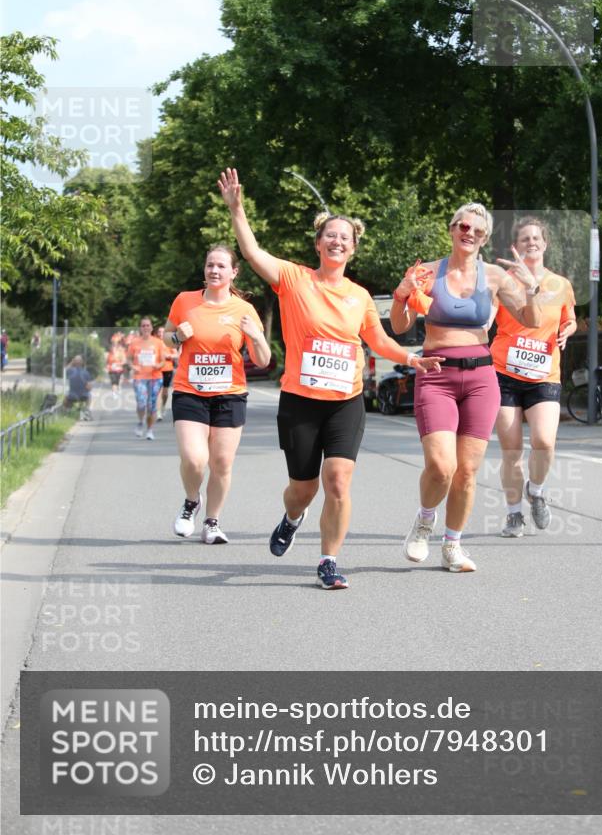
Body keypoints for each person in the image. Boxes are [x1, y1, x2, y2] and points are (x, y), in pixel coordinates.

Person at [218, 167, 443, 590]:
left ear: (352, 249)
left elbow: (378, 340)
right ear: (318, 243)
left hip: (345, 401)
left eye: (345, 238)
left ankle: (328, 560)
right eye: (330, 235)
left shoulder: (359, 297)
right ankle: (292, 517)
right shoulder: (293, 278)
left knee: (338, 480)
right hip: (301, 402)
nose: (337, 241)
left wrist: (412, 360)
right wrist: (237, 210)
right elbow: (251, 253)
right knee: (302, 490)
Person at [390, 202, 542, 573]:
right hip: (437, 375)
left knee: (467, 472)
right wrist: (401, 294)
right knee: (442, 467)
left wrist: (532, 287)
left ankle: (452, 545)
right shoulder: (426, 273)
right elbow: (399, 325)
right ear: (451, 228)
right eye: (463, 226)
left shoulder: (493, 277)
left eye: (476, 230)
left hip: (480, 379)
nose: (468, 233)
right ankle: (425, 521)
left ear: (485, 237)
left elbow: (531, 320)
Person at [163, 244, 272, 543]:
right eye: (210, 265)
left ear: (233, 272)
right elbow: (166, 339)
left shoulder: (244, 310)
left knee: (222, 463)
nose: (214, 270)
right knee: (194, 459)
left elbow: (263, 359)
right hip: (190, 391)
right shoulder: (185, 301)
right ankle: (190, 502)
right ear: (204, 269)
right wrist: (177, 337)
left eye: (221, 266)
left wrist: (256, 336)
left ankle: (212, 522)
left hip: (230, 394)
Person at [490, 217, 577, 537]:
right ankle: (514, 515)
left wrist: (569, 328)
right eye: (524, 239)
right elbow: (488, 316)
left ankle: (536, 490)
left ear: (545, 244)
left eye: (536, 238)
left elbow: (570, 320)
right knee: (511, 449)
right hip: (505, 372)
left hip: (544, 373)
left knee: (544, 442)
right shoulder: (504, 281)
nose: (531, 243)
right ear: (516, 246)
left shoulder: (561, 284)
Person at [127, 319, 165, 440]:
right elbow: (128, 359)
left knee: (152, 406)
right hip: (140, 377)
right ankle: (140, 422)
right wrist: (133, 366)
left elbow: (163, 361)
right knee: (142, 403)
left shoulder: (158, 342)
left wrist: (157, 366)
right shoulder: (134, 343)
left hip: (155, 377)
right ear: (140, 328)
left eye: (148, 325)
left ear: (151, 327)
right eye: (143, 325)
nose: (145, 327)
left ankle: (149, 430)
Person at [155, 326, 178, 420]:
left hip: (167, 369)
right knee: (158, 392)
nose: (160, 333)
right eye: (159, 332)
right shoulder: (155, 343)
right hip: (157, 370)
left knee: (165, 392)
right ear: (157, 333)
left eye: (162, 332)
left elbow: (177, 354)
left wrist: (169, 355)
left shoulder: (168, 342)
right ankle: (158, 412)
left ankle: (163, 407)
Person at [64, 355, 93, 420]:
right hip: (83, 396)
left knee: (66, 395)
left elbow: (66, 369)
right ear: (82, 363)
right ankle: (87, 409)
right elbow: (89, 388)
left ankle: (67, 412)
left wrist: (72, 362)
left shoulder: (70, 371)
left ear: (74, 362)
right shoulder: (86, 373)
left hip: (72, 396)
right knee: (89, 395)